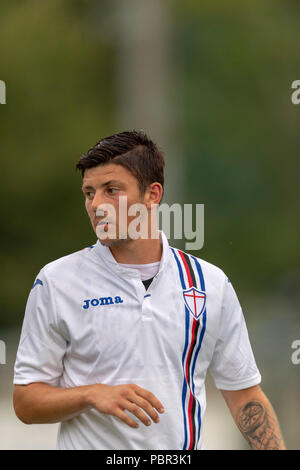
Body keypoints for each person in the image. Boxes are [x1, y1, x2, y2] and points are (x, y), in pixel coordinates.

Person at [13, 130, 286, 450]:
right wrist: (91, 394)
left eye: (111, 190)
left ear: (152, 195)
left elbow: (245, 396)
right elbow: (26, 402)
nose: (96, 204)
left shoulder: (210, 284)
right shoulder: (56, 282)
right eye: (89, 193)